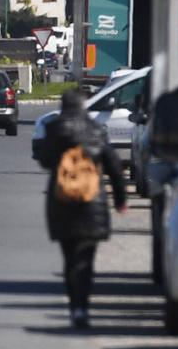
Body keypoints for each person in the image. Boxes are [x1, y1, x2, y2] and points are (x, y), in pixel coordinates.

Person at [42, 86, 128, 330]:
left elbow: (45, 161)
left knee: (69, 259)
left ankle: (74, 308)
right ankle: (83, 308)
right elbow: (114, 167)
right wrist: (121, 200)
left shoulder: (53, 129)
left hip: (62, 202)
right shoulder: (96, 130)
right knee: (86, 261)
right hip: (92, 202)